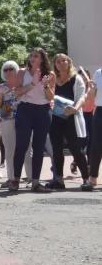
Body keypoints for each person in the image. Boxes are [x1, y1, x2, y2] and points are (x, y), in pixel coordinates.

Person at [10, 48, 55, 192]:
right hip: (25, 110)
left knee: (39, 147)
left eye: (36, 56)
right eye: (31, 56)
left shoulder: (50, 74)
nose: (32, 58)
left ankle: (35, 182)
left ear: (42, 59)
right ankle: (15, 180)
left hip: (43, 111)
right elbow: (16, 93)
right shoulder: (22, 72)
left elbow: (50, 97)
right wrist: (33, 84)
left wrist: (46, 85)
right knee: (21, 146)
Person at [47, 54, 89, 190]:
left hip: (72, 117)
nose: (61, 63)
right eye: (58, 61)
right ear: (55, 65)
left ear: (69, 62)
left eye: (64, 60)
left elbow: (82, 97)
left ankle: (86, 179)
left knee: (76, 149)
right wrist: (46, 86)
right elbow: (49, 97)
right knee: (57, 150)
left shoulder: (76, 79)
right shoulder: (53, 79)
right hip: (56, 119)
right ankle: (59, 180)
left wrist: (75, 109)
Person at [0, 61, 30, 187]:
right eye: (6, 70)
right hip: (6, 120)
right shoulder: (1, 87)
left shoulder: (23, 85)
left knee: (26, 149)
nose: (8, 72)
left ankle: (30, 178)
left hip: (24, 119)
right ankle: (11, 178)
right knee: (9, 150)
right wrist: (0, 94)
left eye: (11, 69)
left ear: (16, 70)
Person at [83, 68, 101, 191]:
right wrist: (92, 89)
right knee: (96, 146)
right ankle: (93, 178)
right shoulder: (98, 72)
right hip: (100, 110)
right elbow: (92, 97)